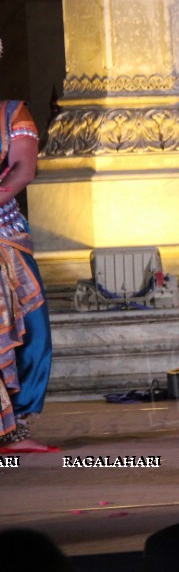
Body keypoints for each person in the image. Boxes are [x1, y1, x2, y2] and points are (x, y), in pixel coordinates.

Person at [0, 78, 56, 456]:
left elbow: (23, 170)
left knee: (31, 327)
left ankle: (13, 426)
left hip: (4, 232)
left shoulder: (10, 113)